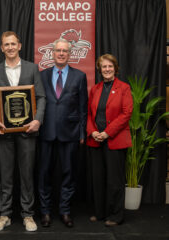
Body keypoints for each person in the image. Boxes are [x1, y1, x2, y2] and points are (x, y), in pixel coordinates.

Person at [0, 31, 46, 232]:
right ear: (2, 48)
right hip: (3, 132)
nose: (10, 47)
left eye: (13, 44)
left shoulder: (32, 68)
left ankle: (28, 215)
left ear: (19, 46)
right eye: (7, 44)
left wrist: (38, 120)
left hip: (27, 131)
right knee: (5, 175)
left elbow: (40, 97)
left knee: (27, 175)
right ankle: (4, 214)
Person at [38, 38, 88, 228]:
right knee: (44, 174)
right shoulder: (42, 75)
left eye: (64, 51)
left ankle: (65, 211)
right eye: (58, 50)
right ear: (52, 53)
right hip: (46, 132)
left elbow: (83, 108)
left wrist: (82, 133)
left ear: (69, 54)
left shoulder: (79, 76)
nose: (61, 53)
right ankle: (45, 212)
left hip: (71, 133)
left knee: (68, 174)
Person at [86, 54, 133, 226]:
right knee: (98, 180)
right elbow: (89, 114)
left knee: (115, 180)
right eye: (104, 67)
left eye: (110, 66)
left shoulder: (124, 88)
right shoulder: (95, 89)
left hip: (115, 140)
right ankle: (100, 213)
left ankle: (116, 215)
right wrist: (92, 132)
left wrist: (106, 132)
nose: (107, 69)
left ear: (115, 68)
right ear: (99, 69)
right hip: (95, 141)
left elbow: (126, 113)